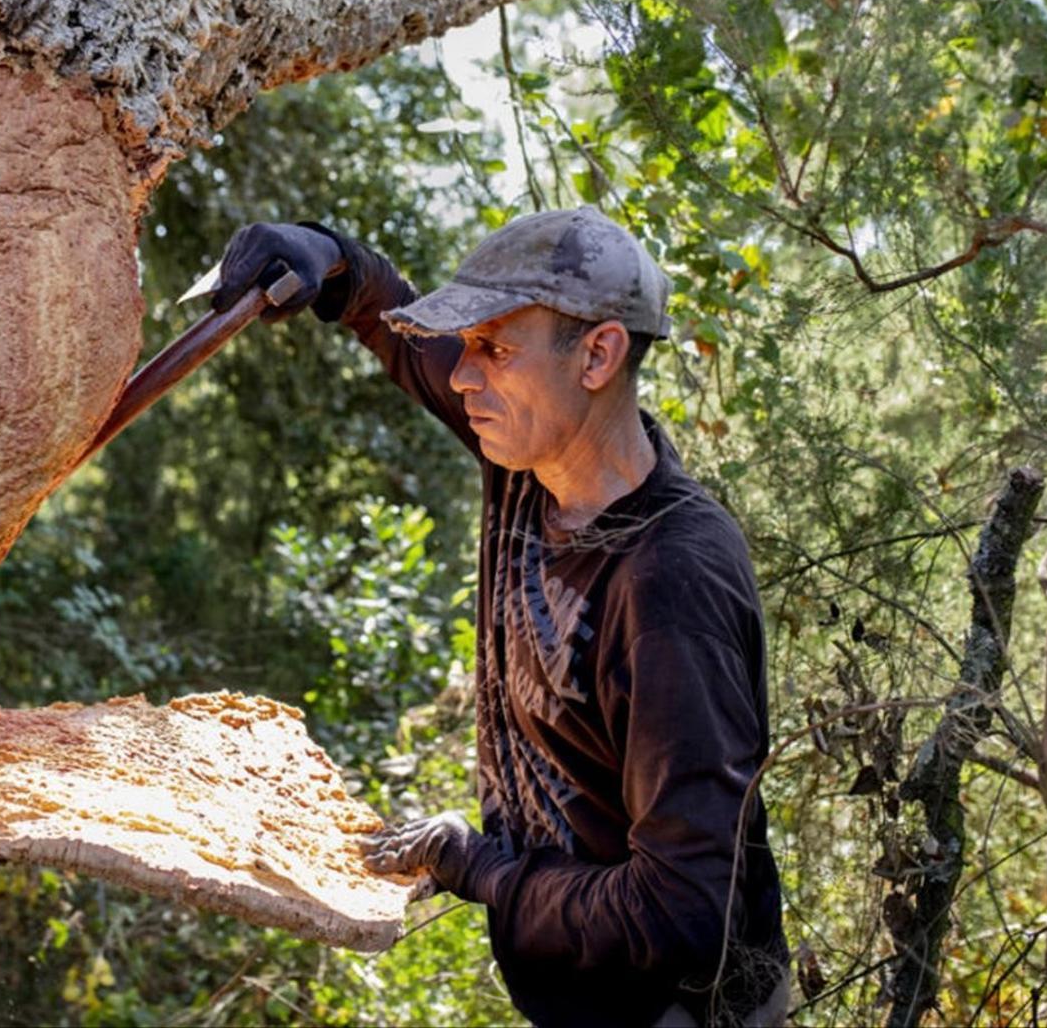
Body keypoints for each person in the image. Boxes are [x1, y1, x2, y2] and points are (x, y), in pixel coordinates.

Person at [212, 207, 789, 1027]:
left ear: (597, 354)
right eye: (468, 345)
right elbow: (395, 327)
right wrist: (333, 261)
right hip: (581, 1000)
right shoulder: (533, 454)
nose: (462, 376)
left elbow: (683, 910)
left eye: (494, 349)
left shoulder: (670, 582)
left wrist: (475, 866)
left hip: (679, 1012)